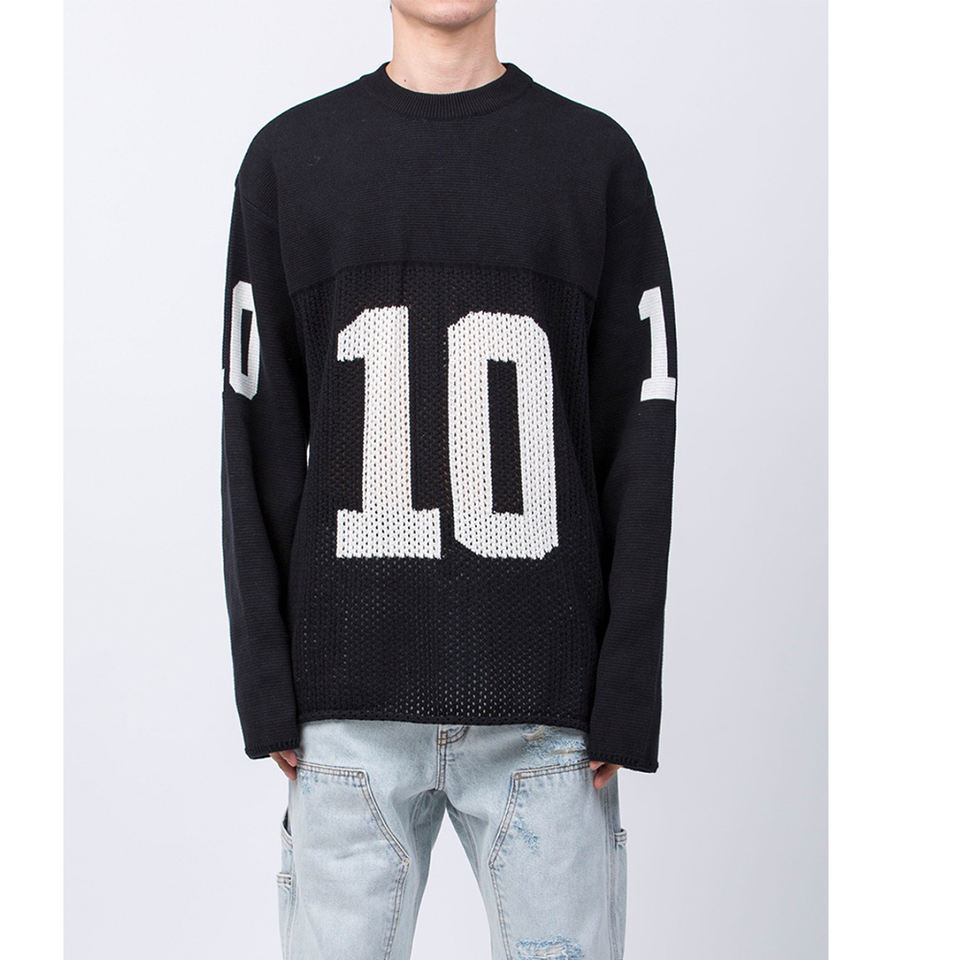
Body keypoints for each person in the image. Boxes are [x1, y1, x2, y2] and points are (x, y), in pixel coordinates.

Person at [219, 1, 677, 956]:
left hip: (547, 711)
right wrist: (266, 681)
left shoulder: (593, 163)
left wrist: (626, 688)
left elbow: (639, 432)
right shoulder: (289, 163)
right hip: (346, 705)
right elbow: (257, 432)